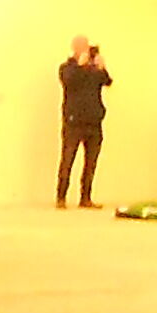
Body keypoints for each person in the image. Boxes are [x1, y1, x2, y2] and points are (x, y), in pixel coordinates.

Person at [55, 36, 111, 208]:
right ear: (74, 48)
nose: (86, 49)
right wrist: (79, 65)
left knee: (91, 162)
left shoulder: (94, 70)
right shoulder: (67, 68)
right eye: (82, 46)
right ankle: (61, 198)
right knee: (67, 159)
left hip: (94, 122)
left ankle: (85, 197)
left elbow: (107, 82)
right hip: (74, 121)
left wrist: (102, 68)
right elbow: (69, 81)